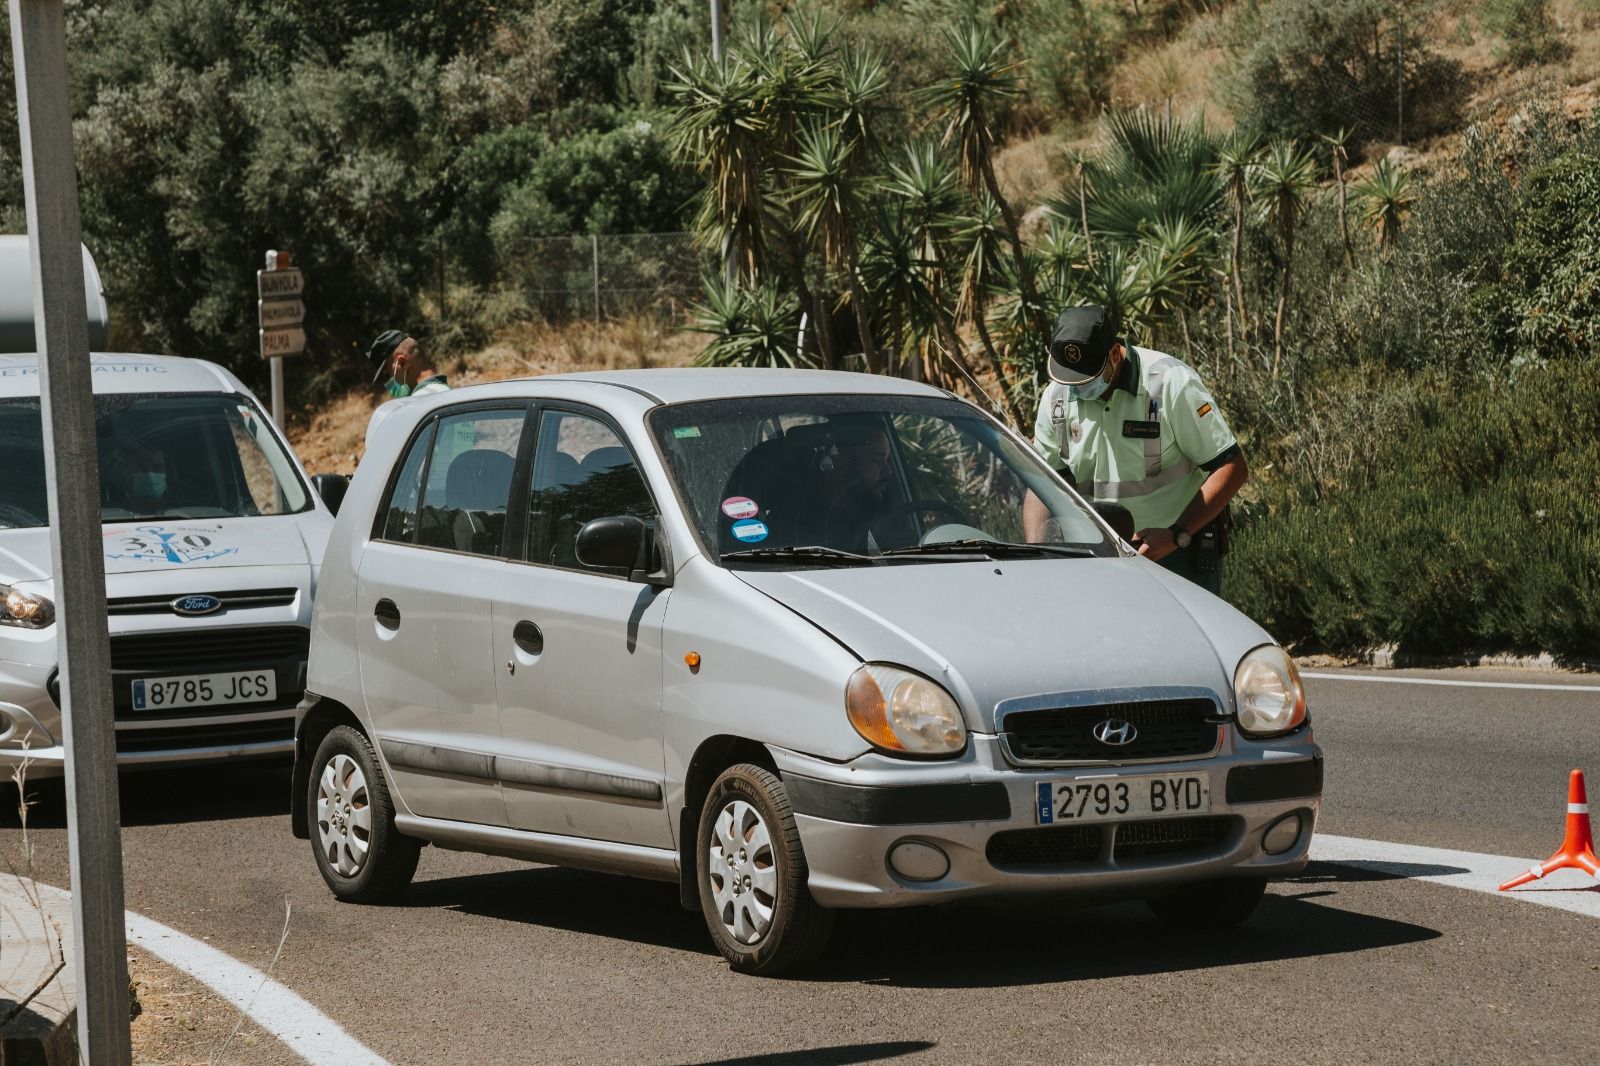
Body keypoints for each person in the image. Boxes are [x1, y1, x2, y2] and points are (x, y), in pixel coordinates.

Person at [1023, 306, 1248, 594]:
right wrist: (1035, 556)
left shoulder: (1170, 384)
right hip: (1097, 556)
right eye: (1070, 380)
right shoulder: (1056, 398)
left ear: (1115, 354)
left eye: (1087, 380)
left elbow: (1231, 467)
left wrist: (1176, 534)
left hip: (1177, 554)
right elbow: (1045, 483)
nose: (1076, 390)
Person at [367, 330, 449, 399]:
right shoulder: (452, 393)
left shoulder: (416, 406)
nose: (389, 384)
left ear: (402, 363)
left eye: (387, 375)